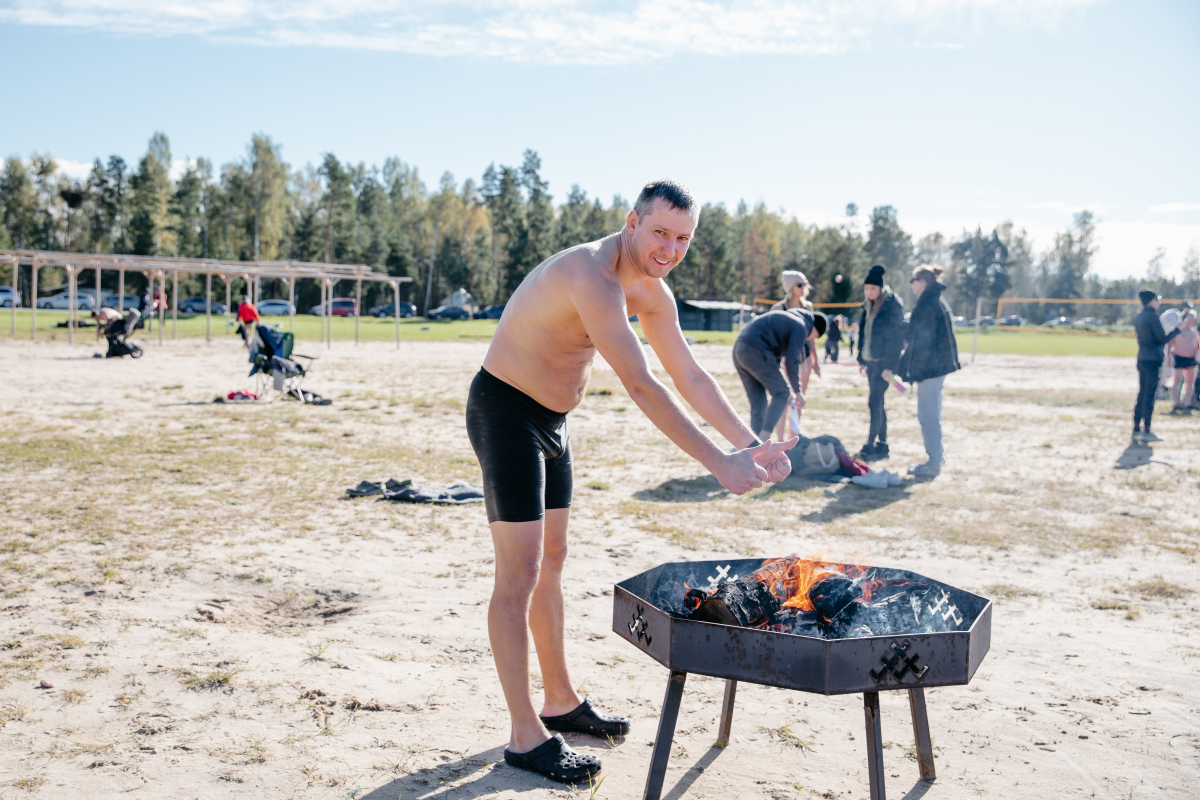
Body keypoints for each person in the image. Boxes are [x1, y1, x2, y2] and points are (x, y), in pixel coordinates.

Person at [464, 180, 797, 785]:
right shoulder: (591, 275)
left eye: (683, 238)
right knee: (519, 572)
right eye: (660, 232)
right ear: (632, 222)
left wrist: (748, 445)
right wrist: (718, 464)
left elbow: (691, 376)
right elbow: (643, 383)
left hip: (552, 423)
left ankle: (559, 701)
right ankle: (523, 735)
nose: (670, 247)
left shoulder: (653, 291)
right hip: (504, 411)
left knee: (552, 562)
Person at [898, 265, 960, 476]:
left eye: (913, 280)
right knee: (932, 413)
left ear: (922, 282)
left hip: (931, 369)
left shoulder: (928, 303)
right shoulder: (932, 300)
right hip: (934, 368)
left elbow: (921, 342)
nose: (911, 284)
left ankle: (934, 463)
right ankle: (936, 458)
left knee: (928, 415)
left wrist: (912, 371)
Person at [734, 308, 826, 443]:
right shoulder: (800, 326)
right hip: (756, 350)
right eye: (814, 337)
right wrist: (797, 391)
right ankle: (764, 441)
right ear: (815, 329)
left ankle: (754, 447)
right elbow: (792, 361)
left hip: (740, 350)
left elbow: (775, 363)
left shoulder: (787, 320)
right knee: (782, 393)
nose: (810, 340)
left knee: (758, 405)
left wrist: (789, 388)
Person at [855, 265, 905, 460]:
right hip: (871, 363)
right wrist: (861, 359)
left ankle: (869, 445)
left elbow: (896, 338)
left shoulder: (892, 306)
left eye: (873, 289)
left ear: (881, 288)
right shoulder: (867, 306)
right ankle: (882, 445)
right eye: (867, 289)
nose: (869, 292)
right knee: (878, 403)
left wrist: (889, 367)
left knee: (874, 402)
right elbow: (863, 332)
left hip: (884, 364)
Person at [770, 271, 817, 439]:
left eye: (805, 284)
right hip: (783, 360)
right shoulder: (778, 308)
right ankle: (780, 442)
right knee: (782, 400)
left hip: (803, 360)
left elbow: (812, 336)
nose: (804, 287)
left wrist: (815, 360)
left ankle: (793, 442)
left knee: (798, 401)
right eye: (800, 284)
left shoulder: (808, 307)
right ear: (790, 286)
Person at [1134, 290, 1180, 442]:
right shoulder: (1152, 316)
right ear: (1151, 301)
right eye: (1157, 300)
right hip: (1153, 359)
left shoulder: (1139, 316)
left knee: (1142, 392)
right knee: (1150, 394)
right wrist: (1178, 329)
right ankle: (1147, 426)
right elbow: (1162, 338)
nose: (1158, 303)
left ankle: (1136, 424)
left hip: (1142, 358)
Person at [1170, 311, 1199, 415]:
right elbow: (1170, 344)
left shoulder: (1194, 332)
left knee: (1190, 382)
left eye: (1193, 318)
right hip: (1179, 357)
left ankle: (1187, 402)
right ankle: (1176, 402)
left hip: (1191, 359)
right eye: (1189, 318)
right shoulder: (1178, 330)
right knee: (1177, 380)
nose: (1191, 321)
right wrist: (1169, 358)